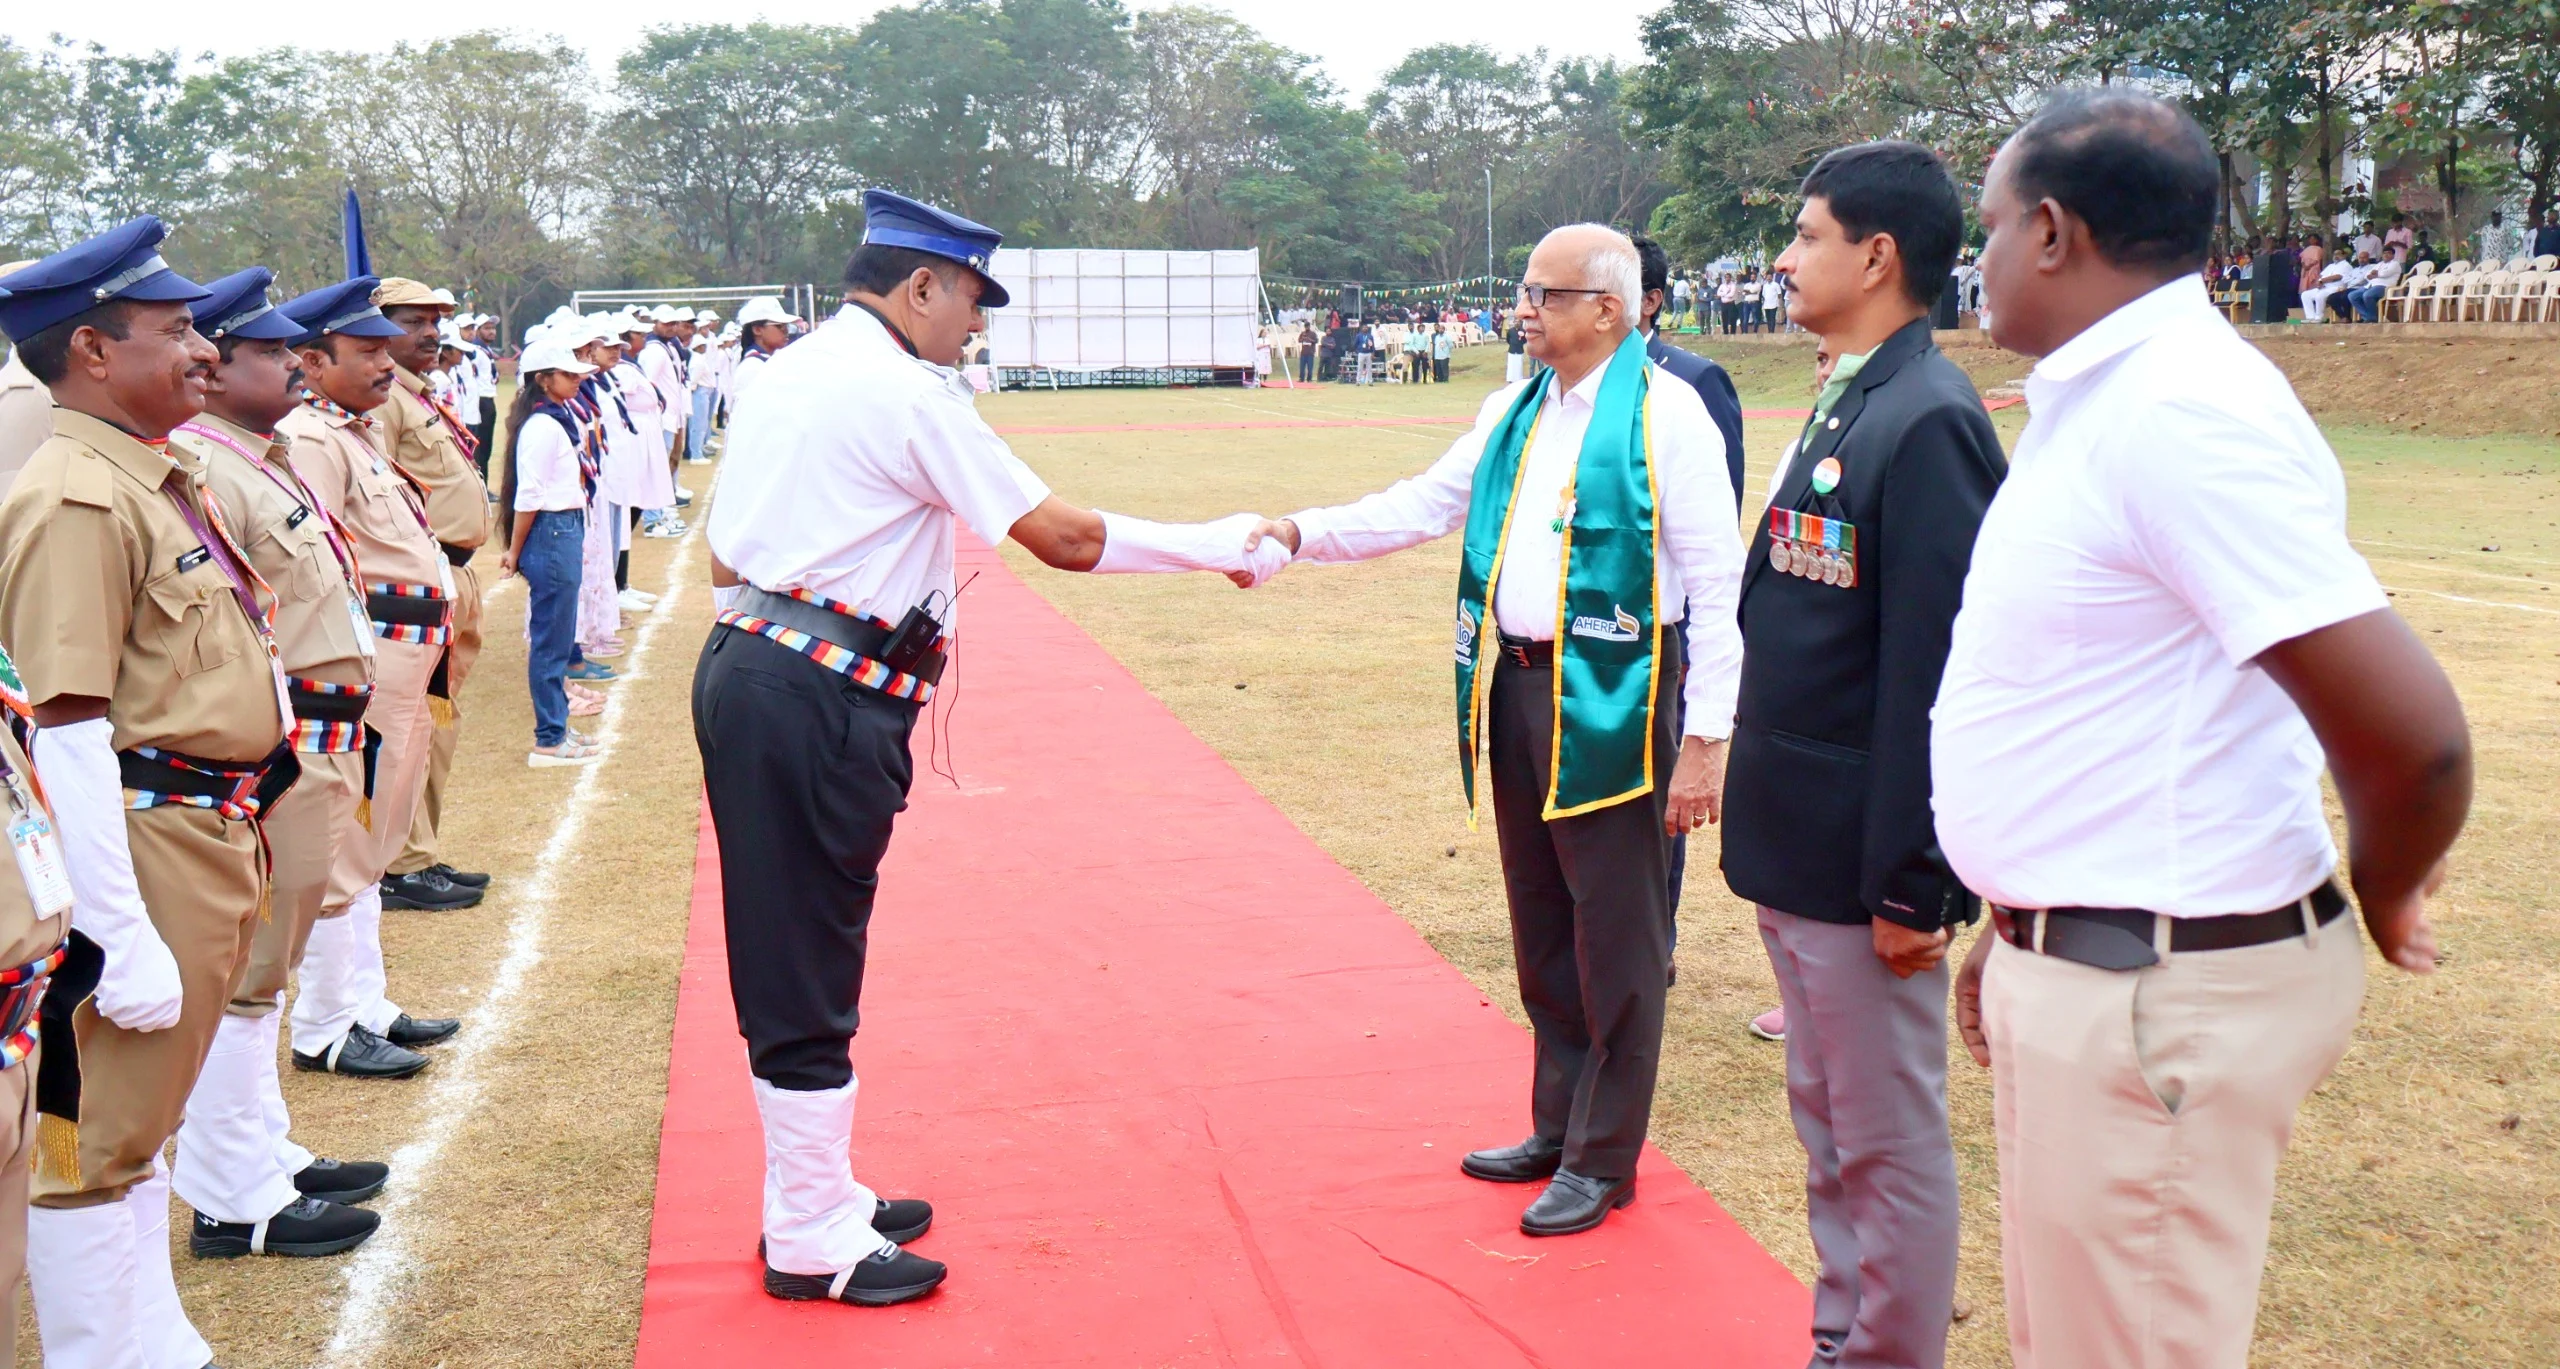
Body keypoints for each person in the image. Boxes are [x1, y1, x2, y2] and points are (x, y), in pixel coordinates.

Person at [1947, 88, 2472, 1369]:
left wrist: (2386, 885)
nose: (1983, 260)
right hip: (2105, 960)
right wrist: (2024, 920)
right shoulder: (2117, 397)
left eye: (1993, 227)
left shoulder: (2177, 413)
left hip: (2158, 987)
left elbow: (2416, 738)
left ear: (2055, 233)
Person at [697, 188, 1283, 1311]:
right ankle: (810, 1230)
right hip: (817, 691)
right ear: (920, 285)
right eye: (969, 300)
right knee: (806, 957)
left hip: (768, 667)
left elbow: (727, 551)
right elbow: (1062, 538)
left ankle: (816, 1193)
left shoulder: (794, 370)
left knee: (802, 941)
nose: (974, 326)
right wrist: (1218, 545)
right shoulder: (900, 389)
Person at [1240, 224, 1745, 1238]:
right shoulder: (1512, 409)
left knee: (1618, 932)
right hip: (1514, 689)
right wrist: (1301, 532)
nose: (1523, 309)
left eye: (1541, 294)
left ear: (1607, 307)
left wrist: (1708, 738)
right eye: (1524, 291)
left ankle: (1604, 1158)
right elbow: (1425, 504)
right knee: (1542, 921)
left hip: (1619, 693)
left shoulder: (1669, 415)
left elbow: (1719, 580)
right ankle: (1555, 1125)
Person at [1725, 141, 2006, 1369]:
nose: (1784, 259)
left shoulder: (1929, 418)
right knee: (1828, 1123)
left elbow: (1931, 676)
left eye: (1806, 234)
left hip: (1860, 863)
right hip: (1795, 842)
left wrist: (1911, 878)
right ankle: (1842, 1337)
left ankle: (1886, 1352)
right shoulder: (1855, 393)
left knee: (1885, 1139)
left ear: (1877, 255)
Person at [0, 215, 289, 1369]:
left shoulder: (151, 475)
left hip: (203, 825)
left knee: (145, 1120)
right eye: (175, 332)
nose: (205, 352)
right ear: (92, 351)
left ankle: (149, 1334)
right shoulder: (76, 495)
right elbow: (63, 729)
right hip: (143, 835)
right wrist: (116, 937)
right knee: (100, 1138)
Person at [167, 268, 390, 1263]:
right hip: (271, 748)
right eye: (265, 352)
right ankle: (230, 1191)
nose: (288, 364)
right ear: (211, 370)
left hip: (314, 734)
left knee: (271, 963)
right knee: (248, 967)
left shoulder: (256, 457)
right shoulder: (206, 466)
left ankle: (261, 1152)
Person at [277, 275, 465, 1080]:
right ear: (313, 362)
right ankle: (324, 1022)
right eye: (367, 350)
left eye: (387, 349)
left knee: (376, 838)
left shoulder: (349, 430)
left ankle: (365, 1001)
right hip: (373, 653)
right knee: (347, 844)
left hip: (407, 652)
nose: (387, 363)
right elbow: (315, 562)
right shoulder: (315, 438)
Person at [370, 277, 493, 913]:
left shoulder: (416, 395)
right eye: (412, 321)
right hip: (420, 581)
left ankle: (423, 853)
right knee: (413, 724)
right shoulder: (382, 402)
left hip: (455, 576)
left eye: (436, 320)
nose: (430, 332)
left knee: (438, 725)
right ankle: (402, 863)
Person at [497, 335, 603, 764]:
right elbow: (529, 495)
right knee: (550, 642)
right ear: (543, 380)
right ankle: (549, 737)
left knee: (557, 638)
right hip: (551, 530)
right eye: (568, 374)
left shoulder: (555, 417)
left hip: (562, 528)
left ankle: (557, 726)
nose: (578, 380)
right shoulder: (542, 425)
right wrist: (513, 549)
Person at [1635, 236, 1746, 504]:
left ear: (1649, 301)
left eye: (1610, 290)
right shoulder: (1576, 380)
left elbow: (1722, 503)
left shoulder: (1696, 378)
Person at [730, 296, 800, 401]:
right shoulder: (752, 368)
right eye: (779, 326)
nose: (786, 331)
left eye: (787, 326)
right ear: (757, 330)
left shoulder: (768, 361)